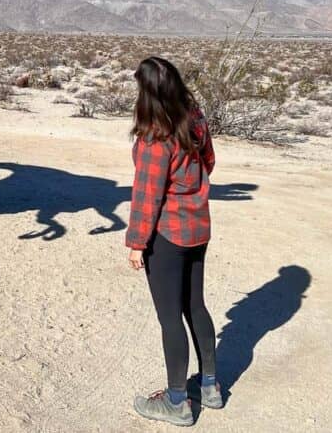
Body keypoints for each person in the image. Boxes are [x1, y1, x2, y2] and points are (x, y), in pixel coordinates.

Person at [126, 56, 222, 426]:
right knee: (195, 305)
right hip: (198, 228)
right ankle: (210, 387)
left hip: (168, 235)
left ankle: (177, 401)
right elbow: (209, 162)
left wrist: (137, 242)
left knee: (170, 318)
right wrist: (189, 189)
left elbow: (146, 197)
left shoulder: (155, 137)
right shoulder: (194, 119)